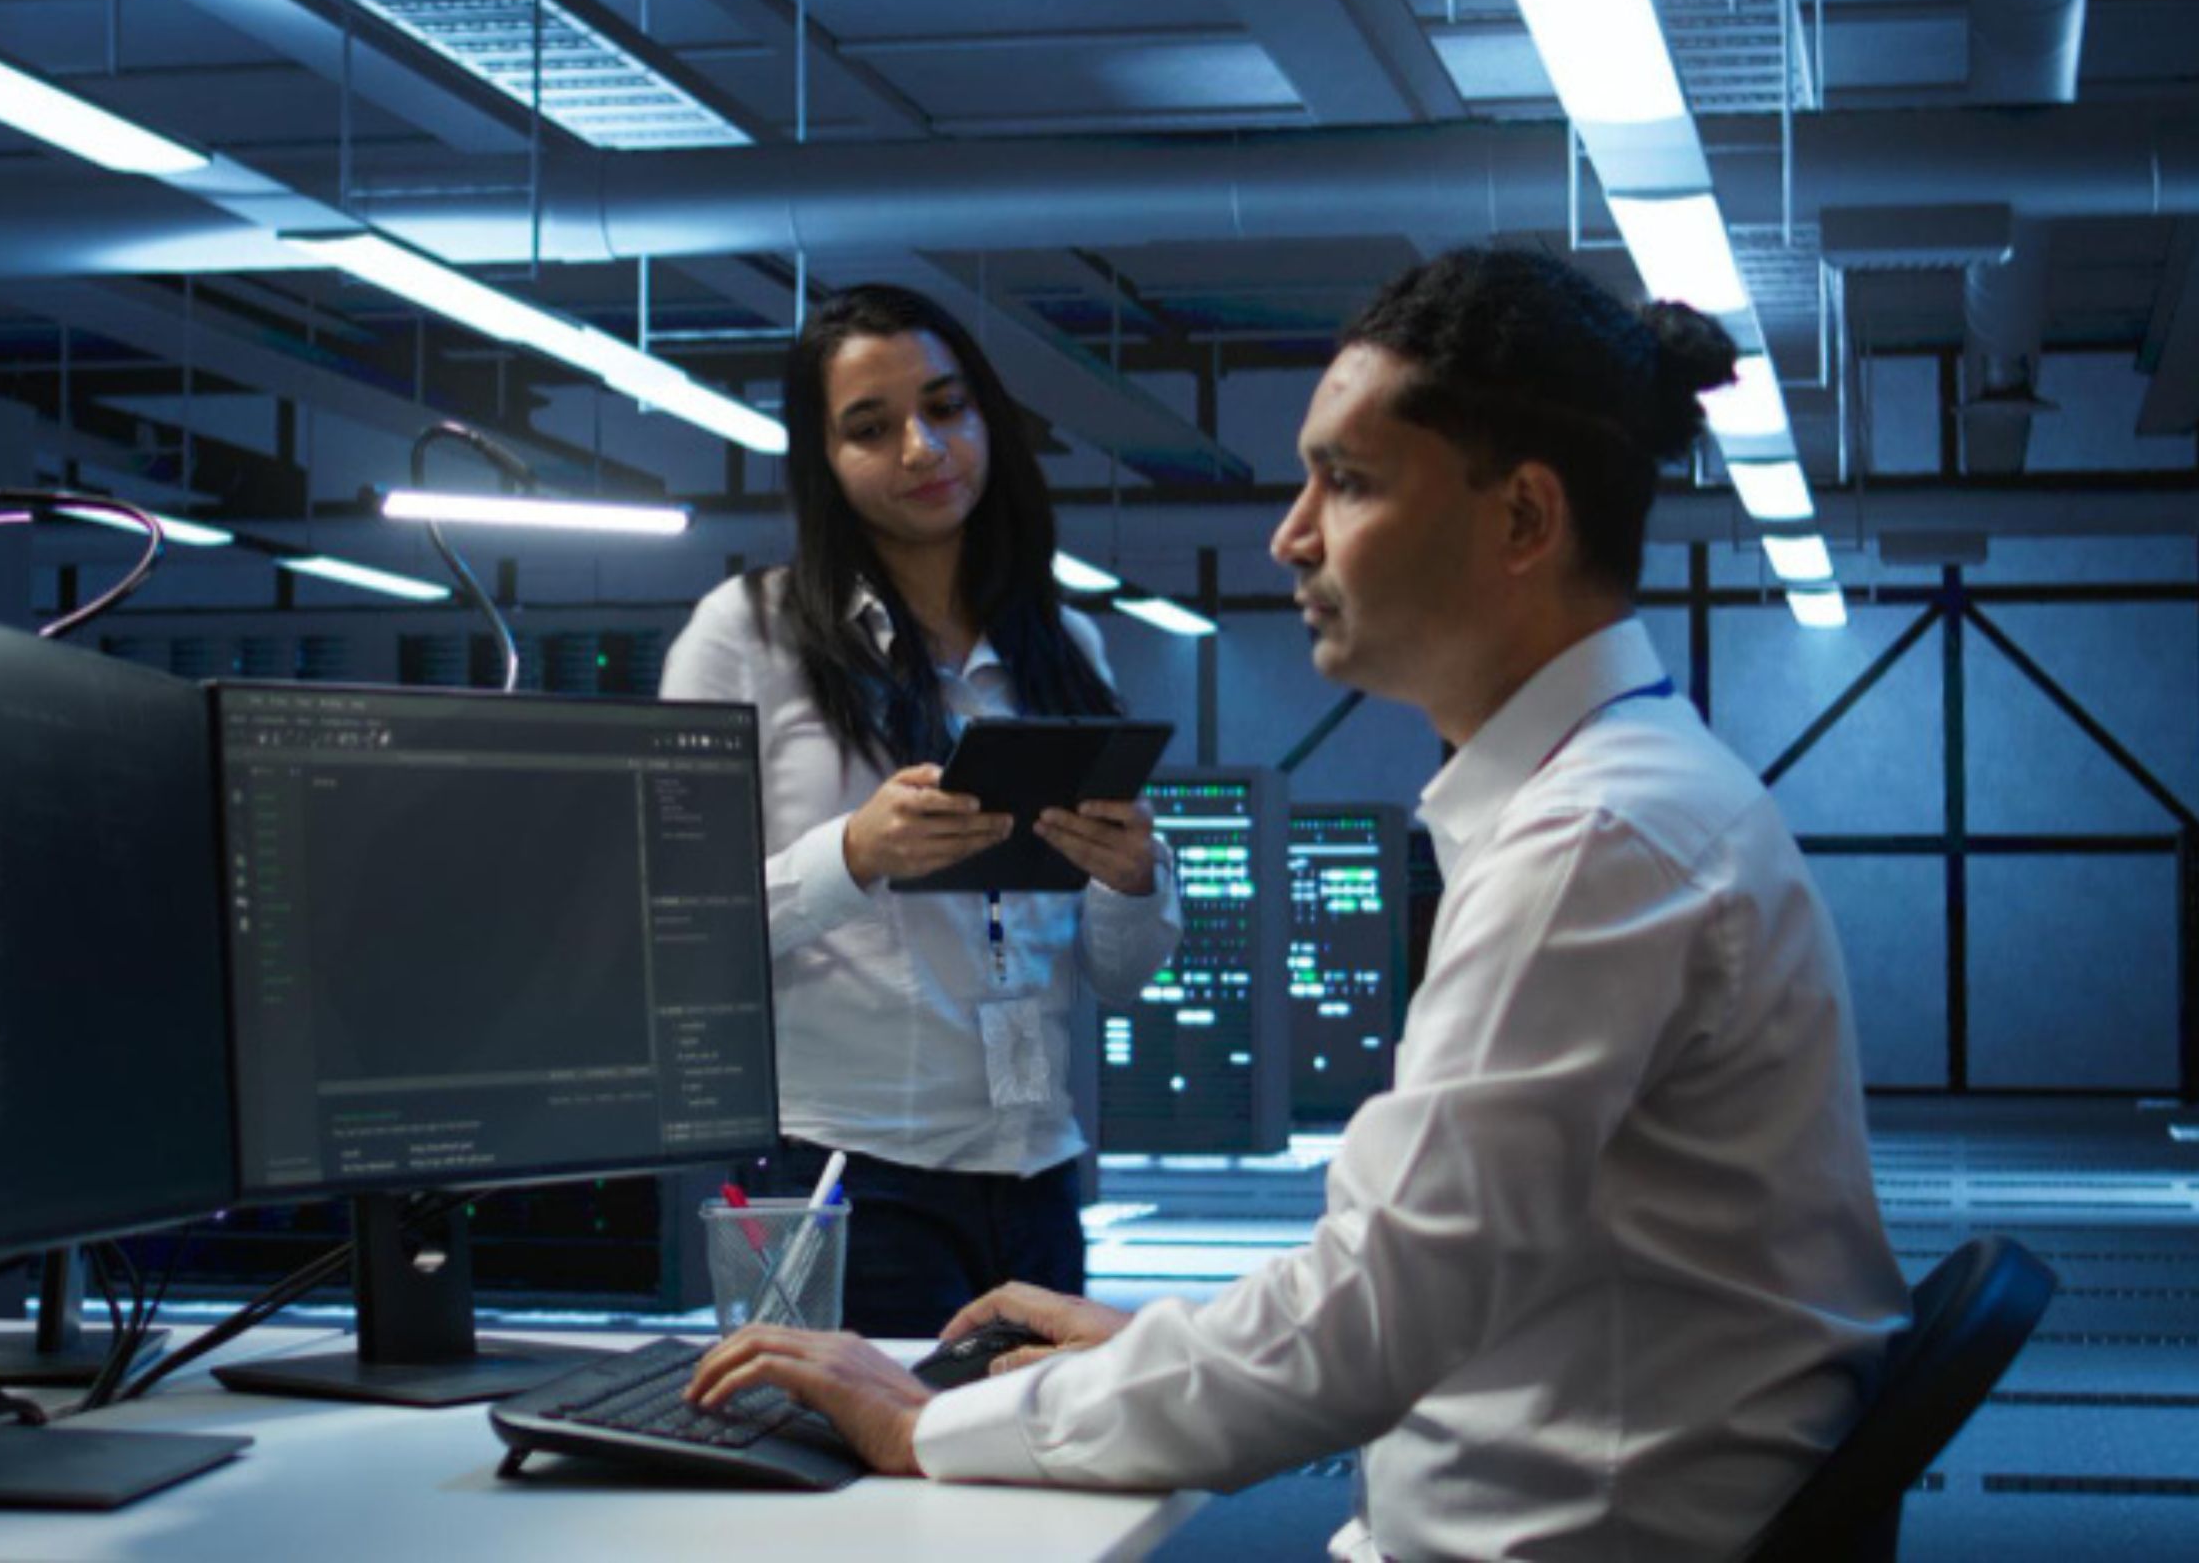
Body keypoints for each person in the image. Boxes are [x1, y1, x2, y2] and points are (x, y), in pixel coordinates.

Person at [687, 249, 1911, 1560]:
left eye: (1349, 479)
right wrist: (1155, 1351)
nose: (1291, 532)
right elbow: (1409, 1281)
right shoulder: (1624, 799)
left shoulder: (1591, 846)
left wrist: (929, 1422)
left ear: (1521, 520)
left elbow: (1362, 1324)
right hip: (853, 1161)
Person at [659, 282, 1181, 1338]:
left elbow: (1118, 970)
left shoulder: (1060, 648)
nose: (921, 446)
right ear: (822, 457)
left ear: (986, 417)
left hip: (1034, 1164)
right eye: (871, 425)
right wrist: (850, 854)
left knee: (1038, 1478)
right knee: (854, 1482)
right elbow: (670, 930)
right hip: (843, 1167)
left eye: (945, 407)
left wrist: (1131, 877)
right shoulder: (745, 636)